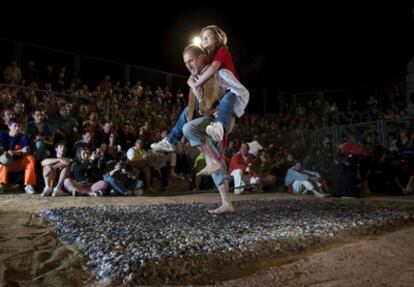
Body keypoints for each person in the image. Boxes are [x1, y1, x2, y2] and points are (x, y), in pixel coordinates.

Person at [151, 40, 249, 174]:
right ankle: (171, 140)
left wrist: (231, 113)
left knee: (188, 128)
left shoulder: (220, 73)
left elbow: (241, 92)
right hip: (202, 114)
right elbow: (191, 83)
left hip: (215, 119)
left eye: (191, 61)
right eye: (186, 62)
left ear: (202, 57)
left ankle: (214, 159)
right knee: (187, 113)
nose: (188, 65)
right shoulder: (195, 78)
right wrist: (193, 85)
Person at [0, 117, 36, 194]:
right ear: (9, 126)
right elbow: (2, 150)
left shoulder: (23, 137)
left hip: (17, 163)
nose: (17, 128)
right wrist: (15, 152)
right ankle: (1, 185)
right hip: (6, 164)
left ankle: (29, 185)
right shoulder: (2, 135)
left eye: (19, 126)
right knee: (3, 158)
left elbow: (27, 150)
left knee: (30, 158)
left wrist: (13, 152)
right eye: (15, 126)